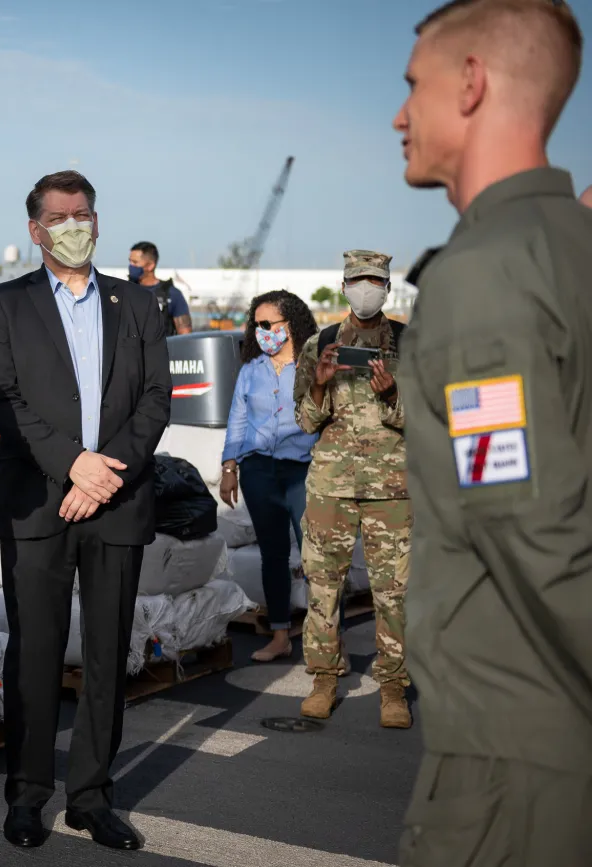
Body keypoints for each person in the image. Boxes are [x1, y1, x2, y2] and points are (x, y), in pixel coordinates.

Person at [394, 1, 592, 863]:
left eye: (413, 87)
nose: (400, 115)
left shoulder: (482, 274)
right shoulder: (572, 244)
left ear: (471, 82)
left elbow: (529, 527)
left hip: (518, 760)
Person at [0, 171, 172, 852]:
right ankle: (27, 796)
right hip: (38, 500)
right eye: (59, 216)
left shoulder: (136, 304)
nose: (73, 225)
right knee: (33, 652)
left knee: (106, 652)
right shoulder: (5, 303)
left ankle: (91, 795)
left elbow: (156, 399)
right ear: (35, 230)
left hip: (114, 501)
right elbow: (2, 398)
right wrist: (72, 463)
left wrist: (101, 474)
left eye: (83, 213)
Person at [292, 249, 411, 728]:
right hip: (330, 488)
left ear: (386, 287)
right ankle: (323, 680)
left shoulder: (410, 343)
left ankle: (393, 689)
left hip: (392, 488)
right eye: (358, 280)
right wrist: (320, 386)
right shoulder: (318, 343)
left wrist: (392, 396)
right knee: (323, 589)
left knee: (394, 593)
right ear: (344, 286)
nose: (367, 288)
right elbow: (303, 420)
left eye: (375, 280)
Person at [219, 290, 319, 662]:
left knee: (316, 556)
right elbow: (238, 421)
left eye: (267, 325)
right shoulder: (251, 371)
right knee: (273, 556)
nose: (260, 332)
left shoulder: (313, 367)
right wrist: (230, 467)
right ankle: (280, 635)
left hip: (304, 471)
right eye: (256, 325)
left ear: (290, 326)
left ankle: (325, 640)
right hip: (258, 470)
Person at [128, 241, 189, 334]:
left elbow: (185, 334)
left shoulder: (172, 295)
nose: (131, 266)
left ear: (150, 265)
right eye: (130, 261)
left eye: (135, 262)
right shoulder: (124, 291)